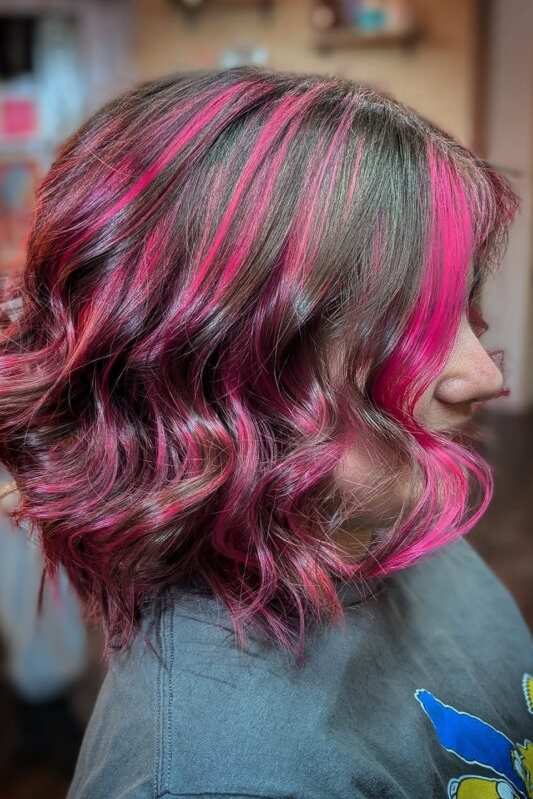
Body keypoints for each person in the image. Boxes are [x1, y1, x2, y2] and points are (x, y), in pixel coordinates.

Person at [0, 66, 531, 799]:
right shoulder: (215, 773)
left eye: (458, 308)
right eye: (397, 326)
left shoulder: (386, 513)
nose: (482, 376)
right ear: (214, 372)